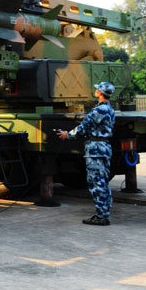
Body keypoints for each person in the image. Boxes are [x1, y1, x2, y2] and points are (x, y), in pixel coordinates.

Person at [55, 82, 116, 226]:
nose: (95, 90)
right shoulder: (110, 109)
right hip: (104, 147)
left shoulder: (98, 111)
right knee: (103, 181)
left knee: (96, 182)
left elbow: (83, 127)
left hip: (95, 149)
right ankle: (104, 212)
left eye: (97, 89)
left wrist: (67, 135)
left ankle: (101, 216)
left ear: (100, 93)